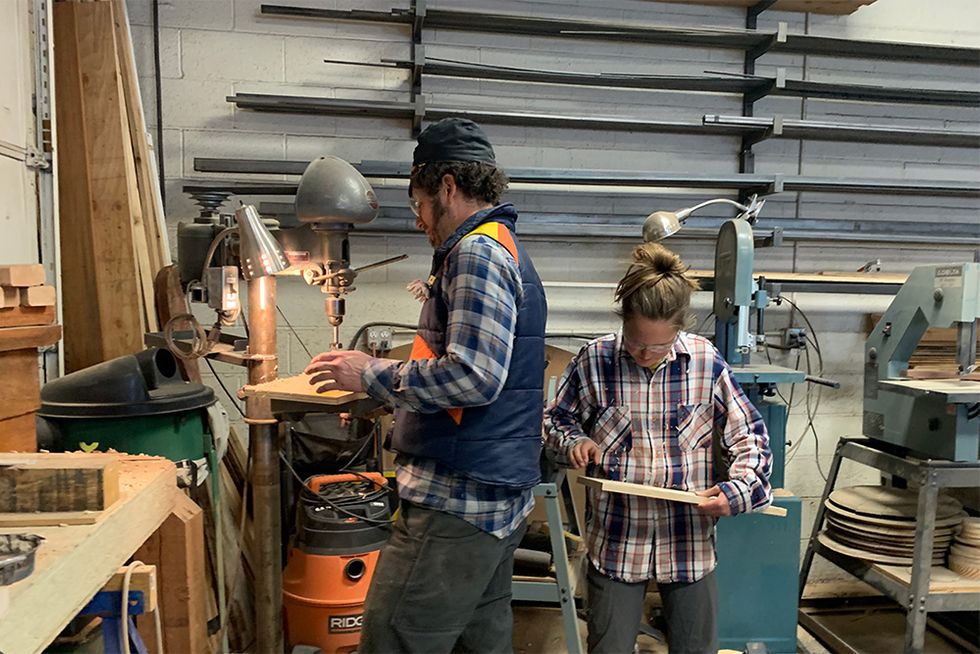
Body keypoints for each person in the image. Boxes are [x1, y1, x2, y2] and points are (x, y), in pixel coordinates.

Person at [305, 117, 547, 653]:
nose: (418, 220)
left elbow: (474, 376)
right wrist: (389, 398)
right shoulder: (502, 245)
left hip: (456, 502)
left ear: (448, 187)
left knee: (393, 640)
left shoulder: (477, 253)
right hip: (487, 497)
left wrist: (369, 374)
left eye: (418, 203)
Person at [544, 242, 772, 654]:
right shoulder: (596, 360)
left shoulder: (704, 361)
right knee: (608, 648)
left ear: (679, 328)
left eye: (658, 347)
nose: (644, 355)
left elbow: (750, 435)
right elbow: (555, 419)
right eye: (636, 343)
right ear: (623, 321)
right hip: (617, 539)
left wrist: (739, 490)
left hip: (688, 541)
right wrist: (573, 441)